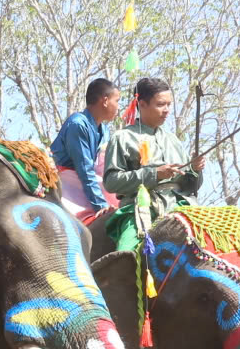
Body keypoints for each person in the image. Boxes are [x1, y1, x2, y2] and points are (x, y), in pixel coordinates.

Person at [101, 76, 205, 251]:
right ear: (142, 104)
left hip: (181, 206)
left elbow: (192, 186)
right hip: (140, 209)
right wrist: (154, 174)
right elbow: (111, 182)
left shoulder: (173, 141)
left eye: (169, 105)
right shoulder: (123, 137)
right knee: (126, 254)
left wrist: (195, 170)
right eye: (160, 104)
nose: (166, 110)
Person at [52, 77, 123, 220]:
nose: (118, 106)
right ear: (105, 101)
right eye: (117, 101)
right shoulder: (78, 124)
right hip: (67, 183)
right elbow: (85, 170)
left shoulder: (104, 129)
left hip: (90, 182)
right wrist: (102, 206)